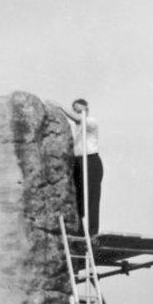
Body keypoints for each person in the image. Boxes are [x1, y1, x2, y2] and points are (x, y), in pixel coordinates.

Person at [58, 98, 102, 234]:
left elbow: (80, 120)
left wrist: (60, 106)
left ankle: (93, 231)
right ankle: (81, 231)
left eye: (81, 111)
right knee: (78, 197)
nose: (79, 113)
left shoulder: (90, 122)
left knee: (92, 197)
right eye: (76, 111)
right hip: (77, 161)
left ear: (86, 110)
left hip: (90, 160)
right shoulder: (74, 127)